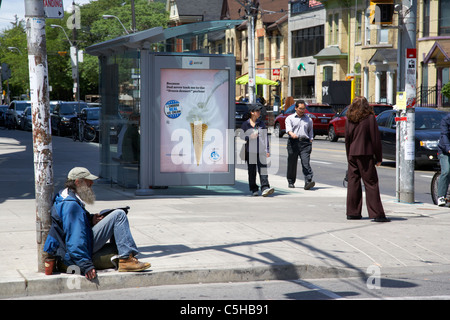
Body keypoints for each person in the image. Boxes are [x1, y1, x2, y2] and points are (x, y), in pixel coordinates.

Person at [44, 167, 150, 280]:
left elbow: (72, 224)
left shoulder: (66, 195)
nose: (91, 183)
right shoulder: (71, 205)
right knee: (119, 215)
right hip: (71, 254)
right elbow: (75, 240)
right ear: (77, 182)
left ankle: (125, 256)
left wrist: (90, 220)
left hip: (76, 244)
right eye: (88, 181)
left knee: (117, 245)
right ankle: (125, 260)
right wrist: (86, 265)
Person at [345, 96, 390, 222]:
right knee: (371, 183)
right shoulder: (370, 118)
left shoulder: (349, 118)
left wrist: (348, 155)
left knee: (353, 183)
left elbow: (347, 139)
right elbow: (375, 139)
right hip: (365, 153)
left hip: (352, 153)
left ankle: (352, 212)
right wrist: (379, 157)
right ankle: (376, 213)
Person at [240, 104, 274, 197]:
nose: (259, 112)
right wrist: (250, 137)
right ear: (252, 112)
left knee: (263, 170)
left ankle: (265, 188)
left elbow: (265, 137)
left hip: (261, 151)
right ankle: (254, 188)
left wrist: (267, 150)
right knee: (252, 171)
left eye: (259, 111)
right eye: (257, 111)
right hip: (250, 151)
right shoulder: (245, 124)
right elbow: (242, 136)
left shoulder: (261, 124)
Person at [285, 100, 315, 190]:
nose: (302, 110)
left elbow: (310, 131)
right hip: (293, 142)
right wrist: (292, 134)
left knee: (306, 162)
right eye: (300, 109)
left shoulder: (308, 119)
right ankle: (291, 181)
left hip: (305, 143)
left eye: (304, 109)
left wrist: (310, 140)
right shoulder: (290, 118)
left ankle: (308, 181)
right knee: (292, 163)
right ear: (296, 108)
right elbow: (288, 129)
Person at [437, 112, 450, 206]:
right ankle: (441, 196)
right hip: (445, 150)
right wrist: (448, 148)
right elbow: (444, 135)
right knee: (446, 171)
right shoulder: (446, 120)